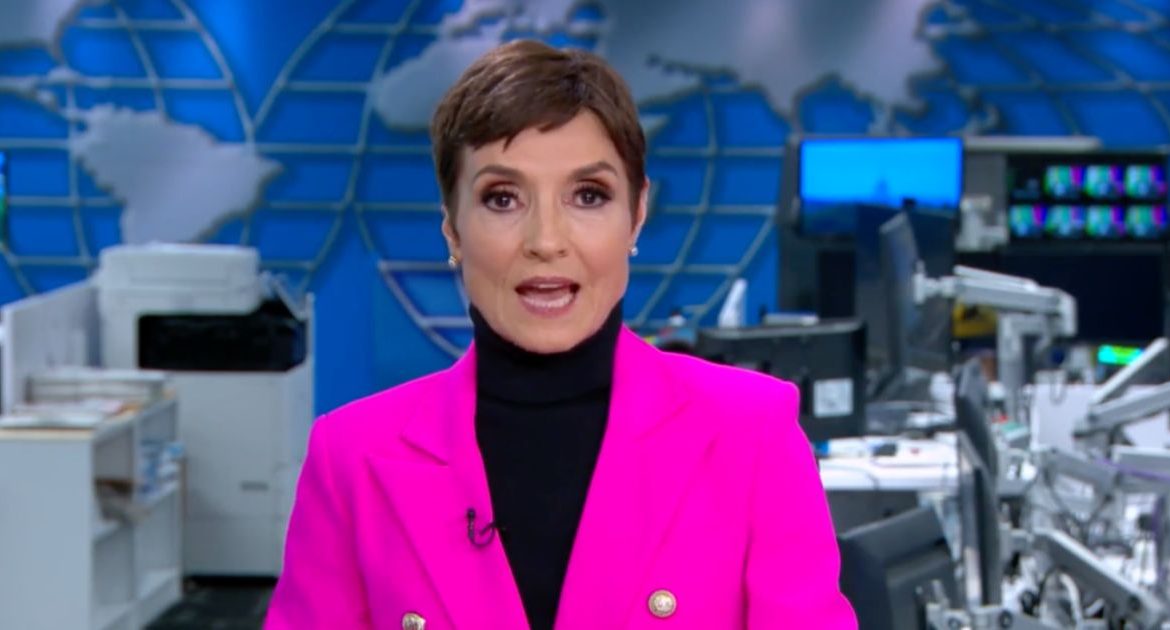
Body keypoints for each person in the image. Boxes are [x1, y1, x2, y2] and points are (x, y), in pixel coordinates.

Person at [265, 40, 857, 630]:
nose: (546, 240)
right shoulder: (350, 458)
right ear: (452, 229)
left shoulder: (752, 433)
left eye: (588, 196)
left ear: (636, 215)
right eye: (502, 198)